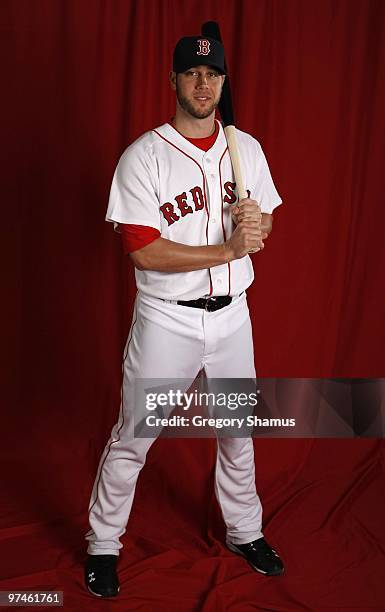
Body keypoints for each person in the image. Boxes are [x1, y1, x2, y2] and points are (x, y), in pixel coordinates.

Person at [84, 35, 285, 598]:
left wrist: (255, 227)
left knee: (237, 432)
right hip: (166, 320)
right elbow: (145, 250)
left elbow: (262, 227)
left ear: (224, 82)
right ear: (172, 81)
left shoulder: (246, 147)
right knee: (134, 436)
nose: (204, 84)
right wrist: (229, 249)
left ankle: (246, 531)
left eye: (213, 74)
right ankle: (102, 544)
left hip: (232, 320)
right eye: (192, 73)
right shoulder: (142, 156)